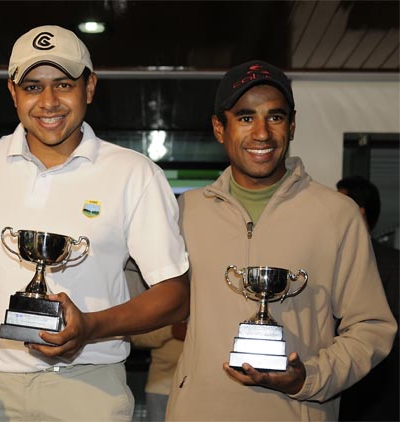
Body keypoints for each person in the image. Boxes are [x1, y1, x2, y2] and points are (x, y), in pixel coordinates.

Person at [0, 25, 190, 421]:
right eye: (32, 87)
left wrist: (89, 326)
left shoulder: (134, 173)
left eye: (63, 84)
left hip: (88, 390)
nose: (48, 102)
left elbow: (176, 295)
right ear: (12, 92)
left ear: (89, 88)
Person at [165, 60, 397, 421]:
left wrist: (311, 377)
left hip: (295, 411)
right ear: (219, 128)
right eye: (245, 117)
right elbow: (155, 301)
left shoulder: (338, 214)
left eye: (275, 117)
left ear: (292, 126)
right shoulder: (186, 211)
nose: (261, 133)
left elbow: (372, 327)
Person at [336, 175, 399, 421]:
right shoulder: (330, 256)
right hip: (336, 390)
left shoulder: (393, 262)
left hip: (379, 391)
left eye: (341, 204)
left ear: (359, 213)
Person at [126, 259, 186, 422]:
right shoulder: (160, 298)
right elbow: (137, 337)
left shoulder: (201, 301)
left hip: (194, 388)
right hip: (160, 388)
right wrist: (171, 331)